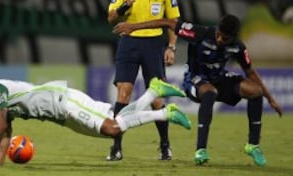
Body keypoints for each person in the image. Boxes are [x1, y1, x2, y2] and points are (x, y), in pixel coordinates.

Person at [113, 14, 283, 166]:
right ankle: (200, 150)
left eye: (224, 39)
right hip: (195, 80)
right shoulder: (199, 33)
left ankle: (253, 145)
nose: (219, 40)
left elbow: (250, 72)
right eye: (219, 35)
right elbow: (168, 22)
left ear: (232, 37)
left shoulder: (238, 47)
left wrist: (270, 99)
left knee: (255, 91)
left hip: (219, 78)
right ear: (217, 29)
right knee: (210, 93)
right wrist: (132, 27)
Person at [0, 67, 191, 168]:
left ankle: (164, 112)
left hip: (65, 103)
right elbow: (6, 132)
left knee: (113, 129)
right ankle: (154, 91)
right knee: (116, 123)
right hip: (63, 114)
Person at [106, 0, 181, 161]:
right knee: (124, 93)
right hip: (129, 43)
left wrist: (171, 47)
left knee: (156, 98)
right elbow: (111, 17)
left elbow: (173, 22)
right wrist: (124, 6)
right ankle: (116, 147)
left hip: (154, 45)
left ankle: (165, 146)